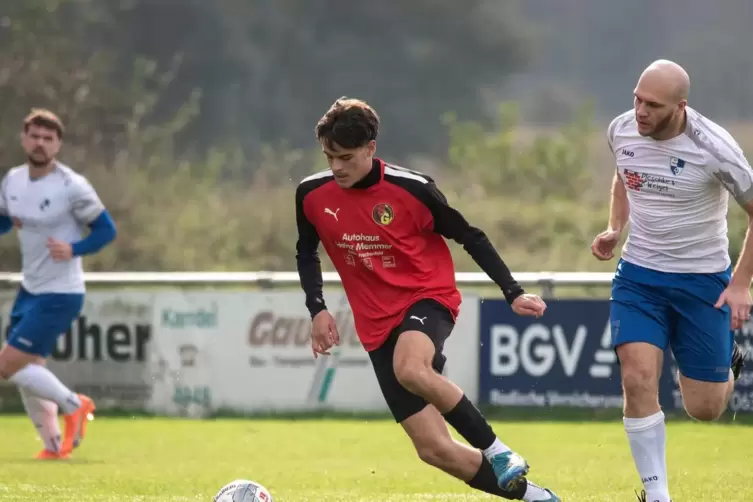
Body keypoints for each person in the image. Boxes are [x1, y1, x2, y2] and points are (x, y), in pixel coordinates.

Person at [295, 97, 560, 502]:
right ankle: (538, 499)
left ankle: (498, 450)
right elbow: (306, 251)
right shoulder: (311, 195)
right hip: (374, 325)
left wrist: (513, 292)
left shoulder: (412, 189)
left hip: (427, 297)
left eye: (346, 157)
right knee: (434, 450)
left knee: (409, 367)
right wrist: (317, 309)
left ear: (370, 149)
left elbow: (470, 236)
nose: (336, 167)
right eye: (329, 156)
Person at [591, 60, 749, 502]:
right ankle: (657, 495)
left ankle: (726, 362)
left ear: (680, 106)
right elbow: (625, 176)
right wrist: (615, 228)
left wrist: (739, 284)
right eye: (637, 99)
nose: (640, 111)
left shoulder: (715, 148)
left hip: (702, 282)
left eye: (652, 105)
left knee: (705, 409)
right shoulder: (621, 130)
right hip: (639, 277)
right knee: (637, 376)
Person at [0, 109, 117, 459]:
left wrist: (74, 248)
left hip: (61, 293)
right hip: (30, 289)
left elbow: (107, 230)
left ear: (58, 144)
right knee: (30, 369)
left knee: (8, 366)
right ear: (24, 138)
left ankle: (73, 404)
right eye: (34, 135)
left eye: (48, 138)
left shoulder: (72, 186)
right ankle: (53, 446)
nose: (40, 143)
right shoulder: (13, 180)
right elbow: (4, 222)